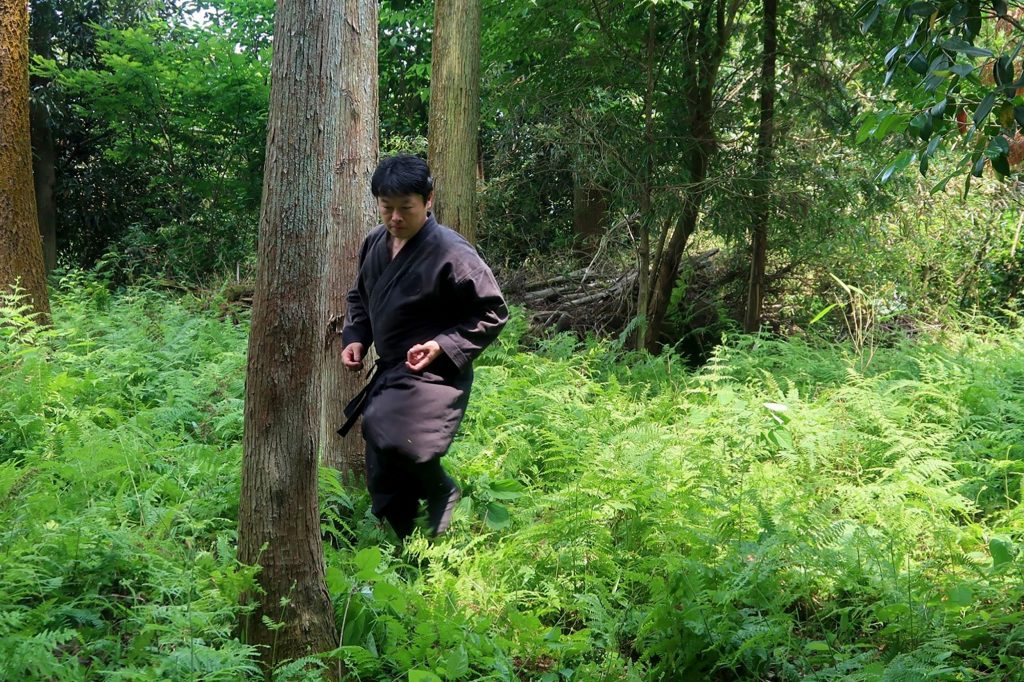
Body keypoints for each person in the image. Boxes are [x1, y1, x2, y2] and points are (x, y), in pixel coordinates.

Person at [338, 155, 508, 539]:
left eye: (405, 209)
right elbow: (360, 297)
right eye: (387, 208)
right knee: (382, 467)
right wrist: (356, 338)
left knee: (387, 427)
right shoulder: (374, 242)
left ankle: (440, 488)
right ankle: (409, 546)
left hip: (434, 370)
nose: (395, 218)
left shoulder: (451, 250)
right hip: (394, 366)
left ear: (428, 200)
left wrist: (442, 345)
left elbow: (493, 310)